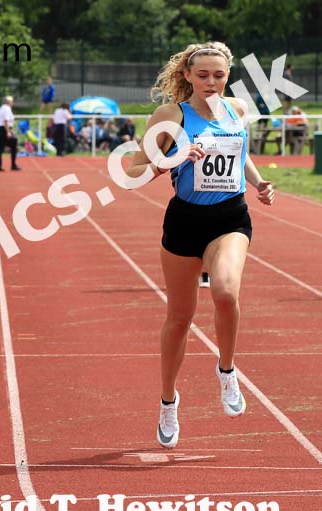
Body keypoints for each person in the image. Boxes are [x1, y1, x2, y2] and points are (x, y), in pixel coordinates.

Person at [124, 42, 275, 449]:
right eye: (203, 75)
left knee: (225, 292)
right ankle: (168, 401)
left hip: (230, 218)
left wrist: (259, 183)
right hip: (184, 223)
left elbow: (238, 153)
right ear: (187, 75)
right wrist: (170, 161)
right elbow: (131, 171)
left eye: (219, 75)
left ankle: (226, 371)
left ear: (228, 76)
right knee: (179, 318)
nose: (211, 82)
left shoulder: (238, 109)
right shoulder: (171, 116)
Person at [0, 95, 20, 171]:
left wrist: (10, 130)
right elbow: (6, 121)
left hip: (1, 129)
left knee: (0, 148)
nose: (13, 103)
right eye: (12, 101)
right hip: (4, 129)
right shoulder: (7, 108)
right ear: (9, 102)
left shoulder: (1, 108)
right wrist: (8, 132)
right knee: (14, 143)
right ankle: (13, 165)